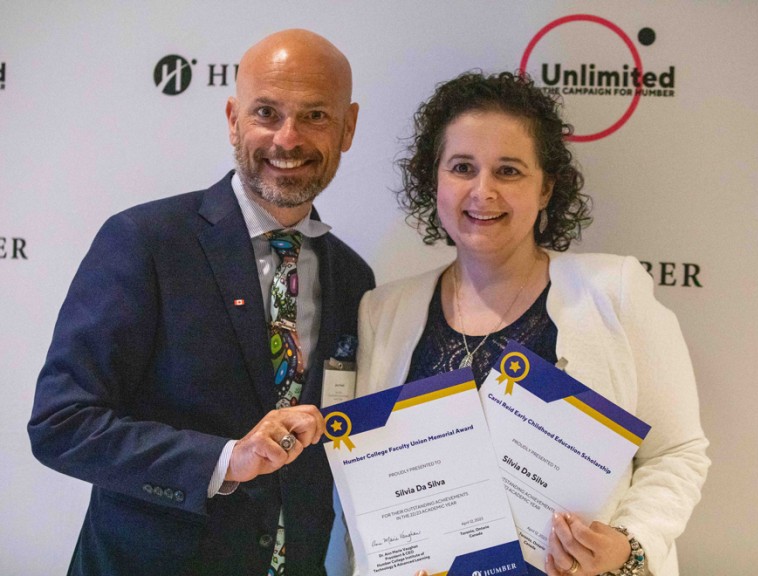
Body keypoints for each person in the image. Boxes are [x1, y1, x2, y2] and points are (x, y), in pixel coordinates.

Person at [28, 29, 374, 576]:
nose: (289, 139)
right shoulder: (146, 242)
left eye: (315, 116)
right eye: (267, 112)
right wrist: (223, 461)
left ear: (348, 127)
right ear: (234, 118)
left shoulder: (354, 276)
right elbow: (61, 424)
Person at [355, 71, 709, 576]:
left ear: (545, 188)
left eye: (509, 171)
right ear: (433, 179)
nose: (483, 191)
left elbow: (677, 452)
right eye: (462, 167)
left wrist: (627, 546)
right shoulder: (383, 311)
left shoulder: (615, 291)